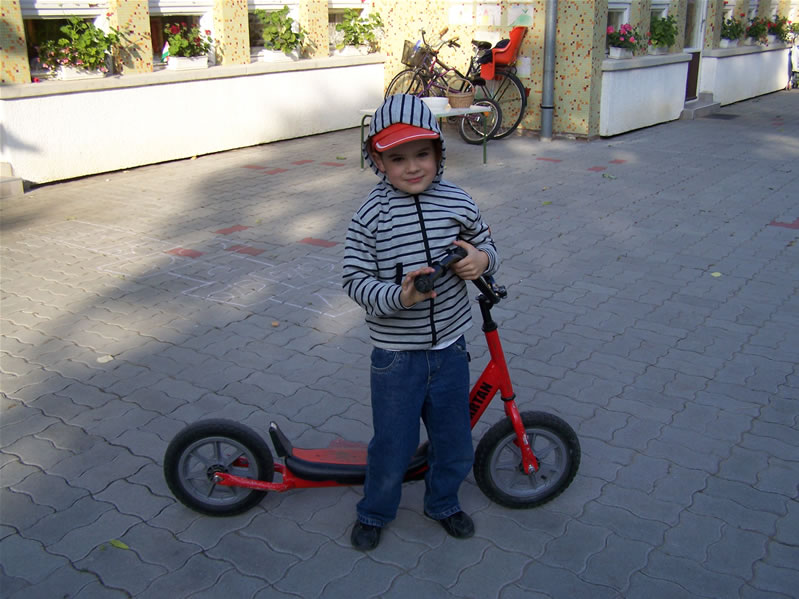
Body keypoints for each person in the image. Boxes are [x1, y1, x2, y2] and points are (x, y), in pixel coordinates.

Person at [342, 94, 499, 551]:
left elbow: (486, 243)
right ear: (378, 161)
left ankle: (443, 502)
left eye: (422, 154)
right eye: (398, 158)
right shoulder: (370, 217)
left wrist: (481, 260)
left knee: (454, 440)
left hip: (450, 349)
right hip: (396, 358)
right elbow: (354, 280)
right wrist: (401, 295)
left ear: (439, 152)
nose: (412, 167)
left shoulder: (458, 201)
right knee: (393, 443)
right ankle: (375, 511)